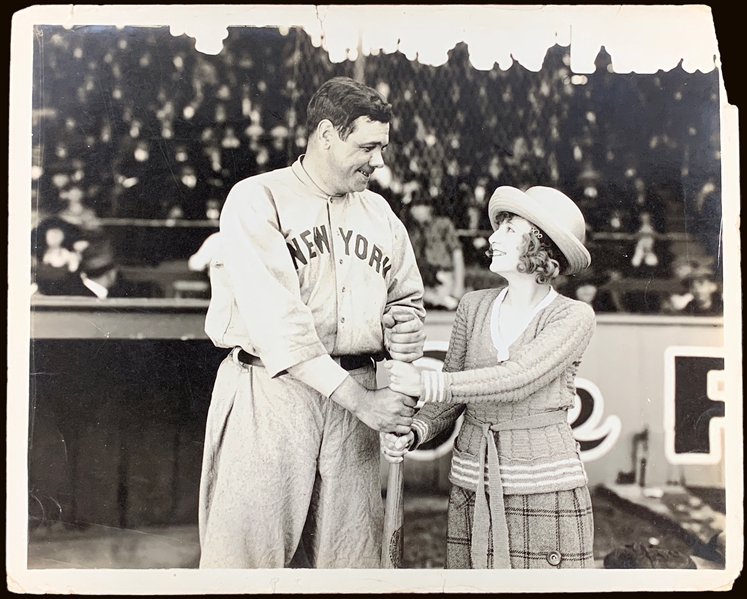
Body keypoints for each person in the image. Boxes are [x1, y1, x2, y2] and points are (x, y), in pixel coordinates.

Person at [198, 76, 426, 569]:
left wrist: (400, 326)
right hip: (272, 392)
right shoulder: (257, 198)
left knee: (350, 563)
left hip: (356, 399)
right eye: (367, 147)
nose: (379, 162)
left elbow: (407, 299)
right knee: (247, 561)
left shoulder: (381, 213)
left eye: (382, 147)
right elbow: (280, 326)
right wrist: (365, 403)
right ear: (326, 134)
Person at [383, 186, 596, 569]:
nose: (492, 238)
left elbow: (518, 377)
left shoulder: (574, 316)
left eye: (510, 229)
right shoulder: (473, 305)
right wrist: (414, 430)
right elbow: (451, 399)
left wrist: (427, 383)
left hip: (544, 486)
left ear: (540, 243)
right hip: (472, 480)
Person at [407, 191, 466, 310]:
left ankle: (444, 300)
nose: (414, 210)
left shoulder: (443, 225)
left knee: (448, 304)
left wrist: (458, 287)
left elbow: (457, 254)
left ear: (428, 207)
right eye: (412, 207)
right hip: (423, 279)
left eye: (418, 206)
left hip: (443, 276)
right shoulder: (413, 231)